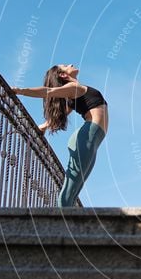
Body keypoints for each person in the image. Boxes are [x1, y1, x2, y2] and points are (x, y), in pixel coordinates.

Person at [12, 63, 108, 207]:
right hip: (87, 136)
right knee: (70, 189)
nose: (70, 64)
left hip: (93, 138)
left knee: (75, 189)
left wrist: (44, 126)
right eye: (65, 65)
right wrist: (20, 90)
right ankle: (58, 223)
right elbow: (48, 91)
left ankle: (66, 223)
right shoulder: (73, 88)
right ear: (63, 75)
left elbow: (60, 115)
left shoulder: (74, 94)